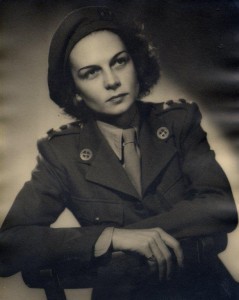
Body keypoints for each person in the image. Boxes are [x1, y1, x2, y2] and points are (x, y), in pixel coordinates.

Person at [0, 5, 237, 300]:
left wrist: (139, 234)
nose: (111, 81)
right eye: (91, 73)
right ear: (74, 90)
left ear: (137, 64)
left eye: (119, 62)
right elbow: (9, 246)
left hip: (206, 291)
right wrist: (112, 237)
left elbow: (219, 207)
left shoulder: (178, 122)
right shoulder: (61, 154)